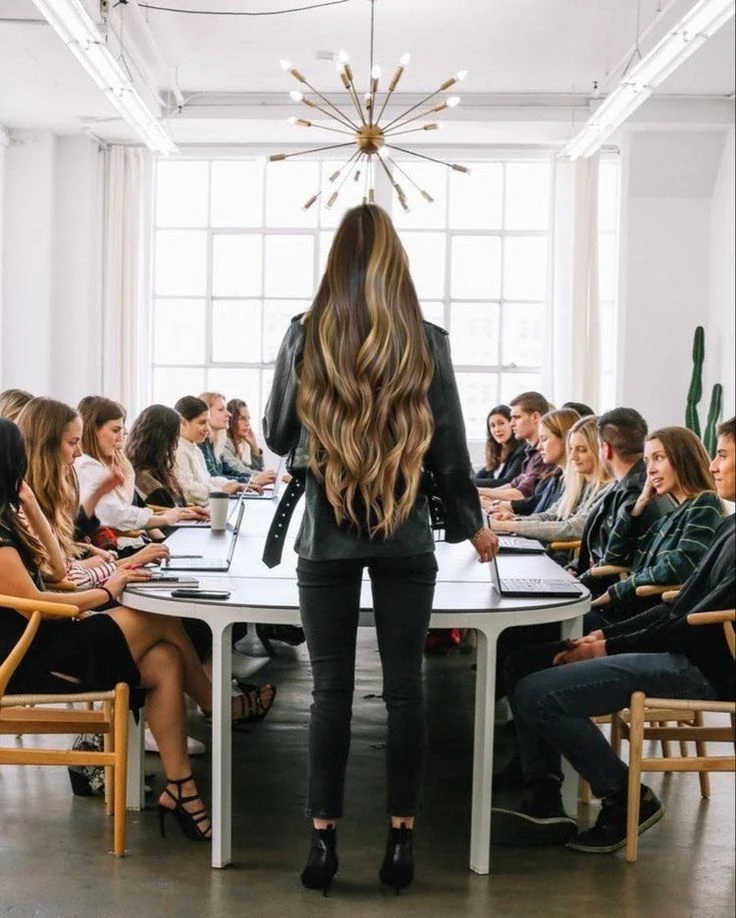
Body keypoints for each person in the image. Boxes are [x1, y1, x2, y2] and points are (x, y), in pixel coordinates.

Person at [264, 203, 497, 893]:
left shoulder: (306, 336)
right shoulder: (425, 340)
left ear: (335, 262)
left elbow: (278, 434)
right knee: (406, 692)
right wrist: (472, 523)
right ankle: (401, 843)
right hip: (404, 537)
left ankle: (323, 845)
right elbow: (452, 452)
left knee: (329, 693)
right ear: (398, 264)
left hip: (326, 540)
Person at [490, 416, 735, 854]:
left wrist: (608, 642)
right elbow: (678, 609)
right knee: (529, 670)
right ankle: (571, 791)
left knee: (534, 692)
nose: (714, 465)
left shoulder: (713, 516)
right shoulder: (729, 526)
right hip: (680, 651)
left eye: (722, 454)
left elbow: (690, 622)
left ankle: (625, 799)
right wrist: (602, 642)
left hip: (701, 669)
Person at [0, 418, 217, 841]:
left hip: (51, 643)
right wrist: (107, 588)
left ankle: (180, 787)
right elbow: (41, 607)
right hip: (29, 659)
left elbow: (59, 569)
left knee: (164, 659)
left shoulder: (8, 520)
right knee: (160, 618)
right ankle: (217, 705)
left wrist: (25, 500)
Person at [585, 426, 723, 630]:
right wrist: (639, 505)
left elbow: (681, 564)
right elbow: (613, 557)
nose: (650, 470)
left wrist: (619, 590)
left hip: (648, 620)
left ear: (684, 459)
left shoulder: (705, 503)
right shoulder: (670, 516)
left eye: (659, 458)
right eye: (647, 462)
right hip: (627, 614)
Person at [75, 397, 199, 533]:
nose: (121, 437)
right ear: (93, 430)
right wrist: (129, 475)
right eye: (116, 430)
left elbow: (136, 510)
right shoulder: (87, 466)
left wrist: (180, 513)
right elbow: (118, 514)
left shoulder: (102, 465)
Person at [490, 414, 613, 544]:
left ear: (600, 451)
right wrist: (514, 520)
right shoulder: (577, 483)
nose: (572, 457)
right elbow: (551, 515)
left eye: (581, 450)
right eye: (571, 449)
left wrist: (508, 526)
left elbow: (571, 528)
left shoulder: (608, 490)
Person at [487, 407, 579, 518]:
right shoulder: (555, 478)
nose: (539, 447)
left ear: (565, 439)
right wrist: (514, 519)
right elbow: (546, 517)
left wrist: (511, 520)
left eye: (544, 439)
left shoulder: (572, 481)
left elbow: (564, 526)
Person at [478, 391, 553, 505]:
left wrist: (478, 492)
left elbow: (521, 494)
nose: (511, 424)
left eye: (516, 418)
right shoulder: (530, 452)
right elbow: (513, 484)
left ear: (535, 417)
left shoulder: (543, 454)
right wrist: (479, 492)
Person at [198, 392, 275, 491]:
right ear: (206, 413)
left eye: (248, 419)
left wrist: (254, 447)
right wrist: (251, 481)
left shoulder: (215, 443)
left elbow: (229, 472)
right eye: (221, 410)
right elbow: (214, 477)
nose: (228, 414)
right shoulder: (203, 444)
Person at [173, 396, 243, 505]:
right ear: (183, 423)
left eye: (207, 422)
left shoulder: (194, 448)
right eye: (202, 423)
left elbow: (207, 480)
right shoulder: (178, 450)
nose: (207, 428)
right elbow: (187, 491)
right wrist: (221, 492)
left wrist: (233, 484)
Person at [473, 405, 526, 486]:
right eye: (493, 426)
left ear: (511, 424)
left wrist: (468, 483)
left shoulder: (521, 451)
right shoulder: (497, 453)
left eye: (501, 423)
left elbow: (507, 482)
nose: (497, 429)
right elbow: (478, 478)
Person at [224, 398, 269, 477]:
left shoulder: (234, 446)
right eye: (242, 418)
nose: (248, 423)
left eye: (248, 418)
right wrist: (275, 477)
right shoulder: (224, 443)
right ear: (231, 420)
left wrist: (254, 446)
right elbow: (240, 471)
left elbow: (257, 472)